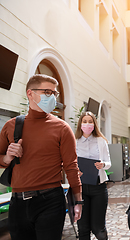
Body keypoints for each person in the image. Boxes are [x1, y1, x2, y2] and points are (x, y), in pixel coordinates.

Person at [0, 74, 83, 240]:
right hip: (18, 202)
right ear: (30, 93)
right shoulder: (12, 126)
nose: (52, 97)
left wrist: (78, 201)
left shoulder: (61, 128)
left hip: (50, 200)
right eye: (47, 92)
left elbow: (71, 166)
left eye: (54, 93)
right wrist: (8, 157)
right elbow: (1, 160)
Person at [75, 111, 112, 240]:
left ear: (94, 124)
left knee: (98, 228)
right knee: (83, 228)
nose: (87, 124)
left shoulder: (101, 141)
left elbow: (109, 163)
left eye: (90, 121)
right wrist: (75, 171)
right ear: (80, 124)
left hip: (98, 187)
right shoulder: (74, 141)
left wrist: (103, 165)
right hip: (81, 188)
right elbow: (68, 163)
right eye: (84, 121)